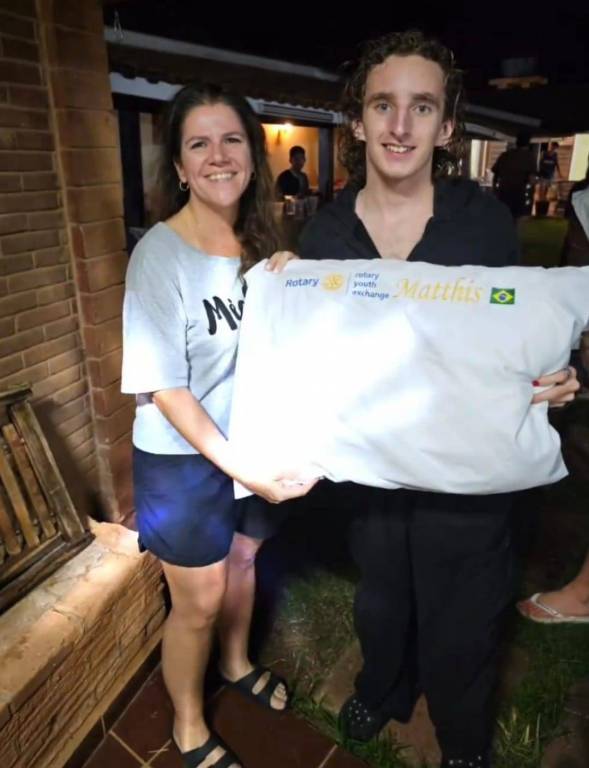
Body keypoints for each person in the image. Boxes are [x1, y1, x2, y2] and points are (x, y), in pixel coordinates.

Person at [297, 29, 579, 768]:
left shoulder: (482, 223)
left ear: (447, 127)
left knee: (464, 617)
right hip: (373, 471)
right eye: (382, 105)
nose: (400, 125)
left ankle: (461, 742)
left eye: (421, 107)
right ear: (357, 121)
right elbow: (309, 350)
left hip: (465, 474)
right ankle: (383, 686)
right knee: (382, 597)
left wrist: (554, 377)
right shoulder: (324, 234)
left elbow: (516, 337)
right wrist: (278, 297)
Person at [121, 83, 316, 768]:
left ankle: (235, 663)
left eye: (232, 139)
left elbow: (281, 343)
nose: (218, 156)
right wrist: (243, 469)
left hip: (248, 438)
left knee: (243, 560)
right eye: (198, 144)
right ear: (178, 166)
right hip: (183, 457)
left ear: (252, 156)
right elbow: (165, 388)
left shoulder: (260, 242)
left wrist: (294, 286)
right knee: (199, 601)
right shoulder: (159, 256)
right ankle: (186, 724)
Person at [492, 133, 537, 218]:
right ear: (528, 144)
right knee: (517, 219)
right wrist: (531, 196)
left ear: (517, 142)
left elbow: (496, 174)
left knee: (502, 217)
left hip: (504, 193)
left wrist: (495, 190)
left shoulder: (505, 155)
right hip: (518, 194)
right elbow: (532, 179)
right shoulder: (529, 157)